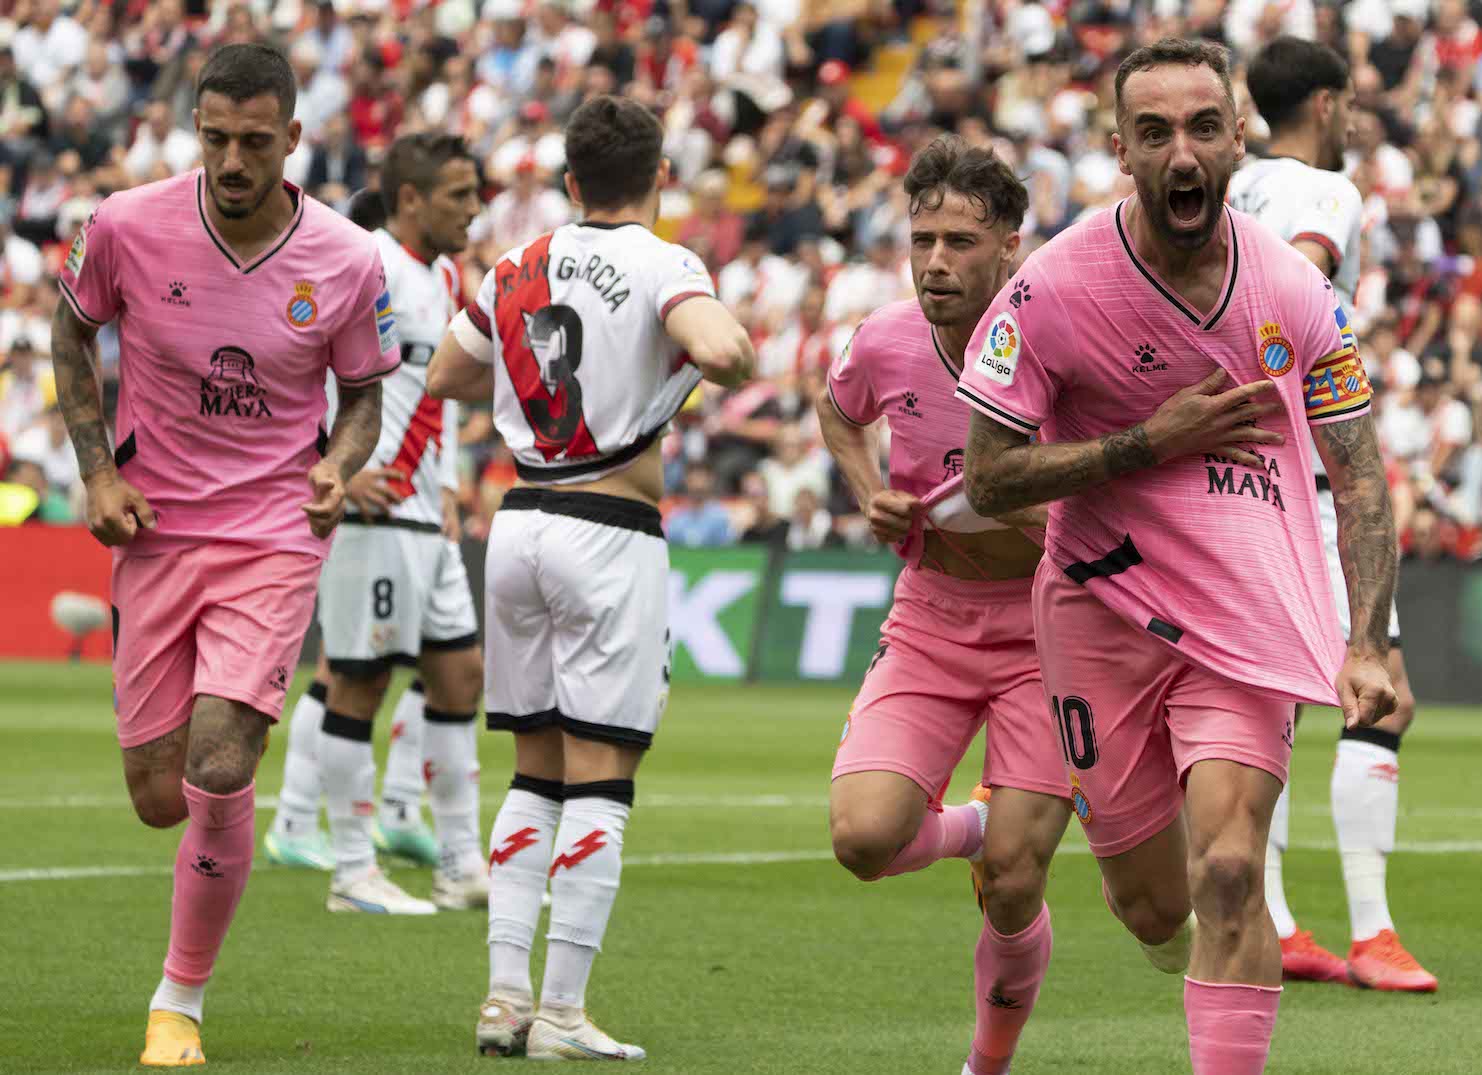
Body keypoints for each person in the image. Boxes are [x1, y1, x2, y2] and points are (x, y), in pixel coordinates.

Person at [958, 39, 1399, 1074]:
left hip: (1245, 608)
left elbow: (1362, 473)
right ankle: (1180, 944)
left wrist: (1369, 639)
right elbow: (987, 478)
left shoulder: (1295, 292)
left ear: (1239, 140)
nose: (1181, 151)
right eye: (1153, 132)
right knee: (1153, 905)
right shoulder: (1054, 287)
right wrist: (1148, 443)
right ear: (1119, 150)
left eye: (1204, 126)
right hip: (1098, 610)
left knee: (1234, 868)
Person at [49, 42, 397, 1066]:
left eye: (254, 141)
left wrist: (338, 463)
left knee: (217, 760)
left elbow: (365, 393)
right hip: (155, 530)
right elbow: (71, 333)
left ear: (292, 138)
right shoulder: (124, 225)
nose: (233, 160)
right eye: (215, 139)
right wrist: (97, 472)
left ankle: (178, 1001)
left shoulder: (345, 258)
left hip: (273, 536)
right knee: (159, 795)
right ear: (193, 132)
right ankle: (222, 787)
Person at [427, 94, 754, 1062]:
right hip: (609, 526)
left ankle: (501, 998)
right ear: (658, 179)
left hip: (518, 519)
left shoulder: (513, 264)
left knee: (532, 768)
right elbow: (727, 348)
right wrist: (681, 369)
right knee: (601, 774)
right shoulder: (663, 261)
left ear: (569, 182)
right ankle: (562, 1013)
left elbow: (449, 370)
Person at [819, 137, 1082, 1075]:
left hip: (1050, 634)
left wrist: (1026, 513)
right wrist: (865, 493)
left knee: (1014, 881)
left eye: (961, 241)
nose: (936, 260)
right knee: (861, 838)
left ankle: (985, 1065)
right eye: (922, 238)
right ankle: (969, 823)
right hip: (931, 618)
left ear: (1011, 246)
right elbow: (839, 409)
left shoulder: (1062, 341)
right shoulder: (886, 337)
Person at [1229, 35, 1435, 992]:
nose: (1353, 121)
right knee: (1381, 688)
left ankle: (1273, 922)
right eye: (1348, 105)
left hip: (1238, 480)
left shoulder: (1233, 189)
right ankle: (1372, 931)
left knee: (1265, 704)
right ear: (1323, 103)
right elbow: (1295, 282)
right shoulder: (1324, 192)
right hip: (1311, 474)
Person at [264, 132, 490, 915]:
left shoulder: (450, 275)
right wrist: (331, 470)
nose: (474, 207)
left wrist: (453, 482)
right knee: (357, 682)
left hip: (426, 514)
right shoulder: (363, 266)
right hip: (373, 517)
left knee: (461, 676)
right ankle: (353, 870)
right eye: (459, 194)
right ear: (410, 201)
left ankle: (463, 862)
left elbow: (443, 394)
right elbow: (293, 367)